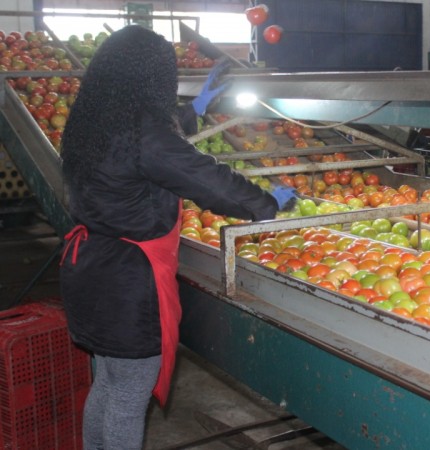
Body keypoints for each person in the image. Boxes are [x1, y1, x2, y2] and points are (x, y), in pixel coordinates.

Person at [58, 25, 296, 450]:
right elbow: (207, 178)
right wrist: (267, 204)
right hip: (128, 284)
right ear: (153, 76)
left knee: (108, 386)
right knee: (129, 398)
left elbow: (146, 144)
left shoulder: (91, 119)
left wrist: (196, 108)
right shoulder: (143, 131)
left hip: (87, 270)